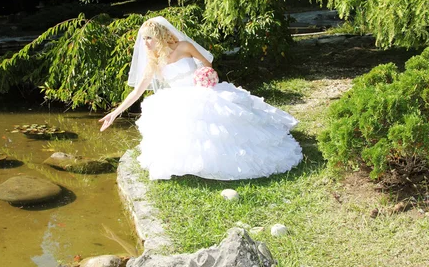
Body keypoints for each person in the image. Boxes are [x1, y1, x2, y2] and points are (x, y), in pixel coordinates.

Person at [99, 16, 303, 180]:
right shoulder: (153, 62)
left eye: (149, 38)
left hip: (202, 90)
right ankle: (191, 165)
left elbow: (206, 64)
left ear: (160, 35)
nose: (146, 43)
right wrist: (114, 113)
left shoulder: (184, 47)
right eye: (143, 39)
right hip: (177, 98)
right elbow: (137, 92)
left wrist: (204, 77)